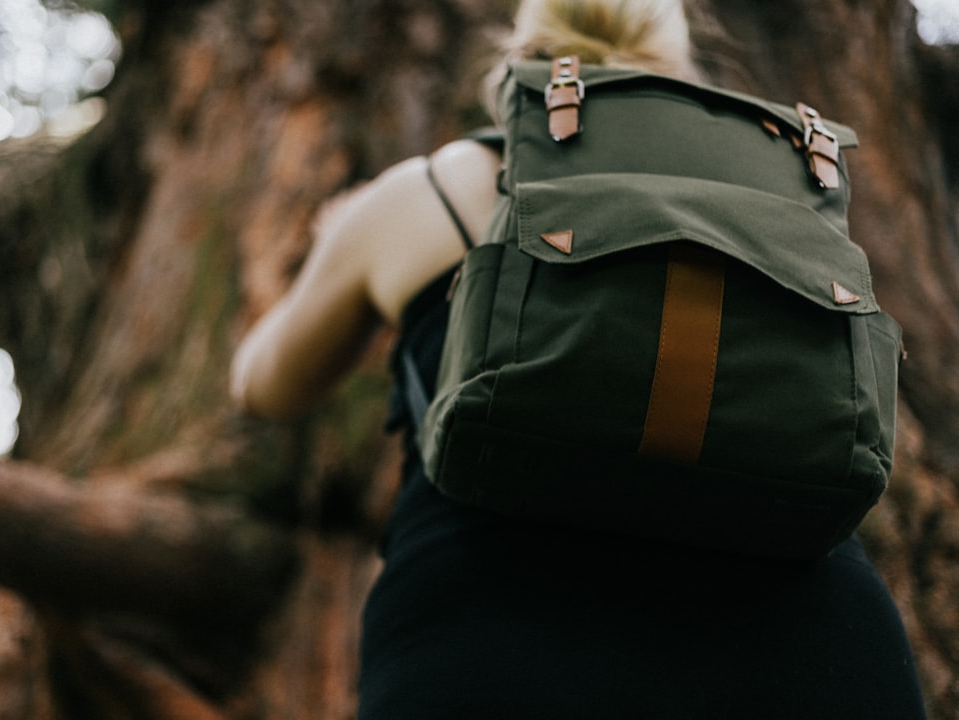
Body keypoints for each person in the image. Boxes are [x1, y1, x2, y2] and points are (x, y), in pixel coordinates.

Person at [230, 0, 927, 716]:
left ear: (521, 46)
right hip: (813, 641)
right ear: (680, 62)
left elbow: (262, 385)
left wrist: (338, 239)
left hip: (489, 633)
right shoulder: (783, 182)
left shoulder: (426, 192)